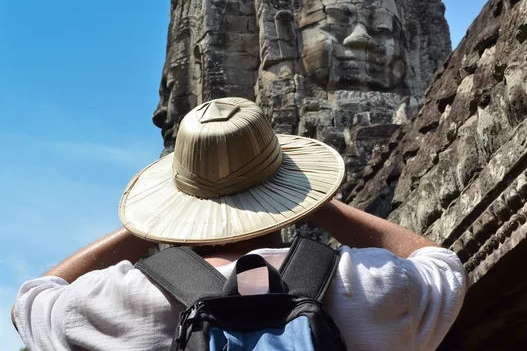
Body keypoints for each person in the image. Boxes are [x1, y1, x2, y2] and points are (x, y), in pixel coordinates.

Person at [12, 97, 468, 350]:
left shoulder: (119, 301)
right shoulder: (369, 284)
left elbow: (32, 299)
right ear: (290, 194)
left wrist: (143, 228)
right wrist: (321, 204)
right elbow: (441, 263)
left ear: (177, 204)